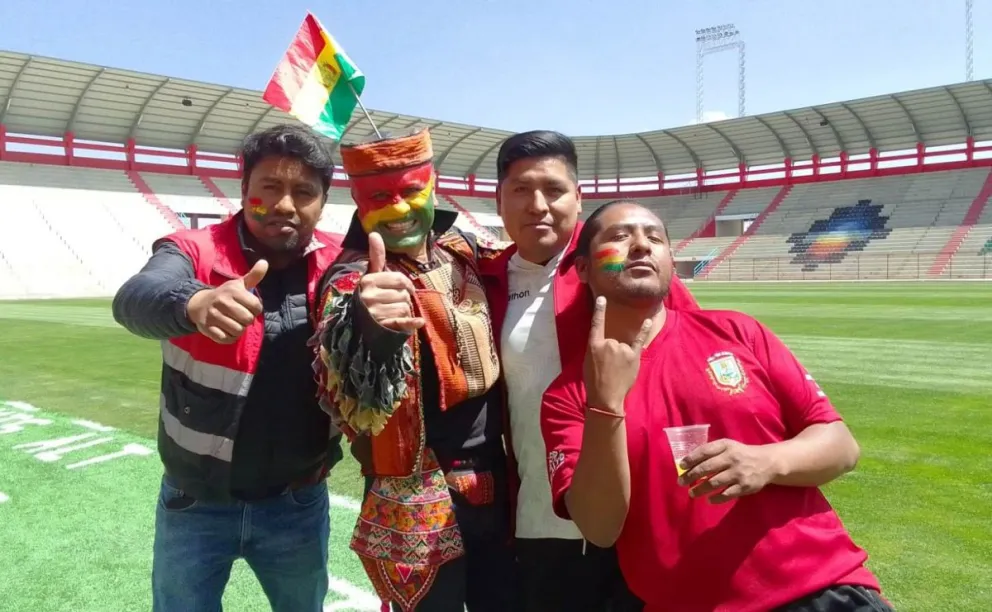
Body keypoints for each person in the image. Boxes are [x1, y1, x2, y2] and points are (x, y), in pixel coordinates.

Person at [540, 199, 892, 612]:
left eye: (655, 238)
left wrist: (765, 462)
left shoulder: (738, 332)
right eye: (619, 236)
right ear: (583, 268)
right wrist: (606, 403)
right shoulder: (566, 395)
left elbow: (842, 446)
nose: (641, 245)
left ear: (670, 262)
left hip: (820, 589)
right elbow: (599, 528)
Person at [111, 123, 345, 612]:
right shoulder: (193, 249)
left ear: (323, 203)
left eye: (304, 192)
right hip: (194, 503)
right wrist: (194, 303)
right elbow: (135, 299)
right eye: (270, 187)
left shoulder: (341, 263)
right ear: (244, 191)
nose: (285, 204)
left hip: (298, 503)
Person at [477, 131, 698, 611]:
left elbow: (692, 358)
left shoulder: (619, 264)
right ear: (499, 200)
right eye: (521, 189)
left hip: (644, 516)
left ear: (578, 198)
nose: (538, 205)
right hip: (541, 519)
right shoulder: (482, 281)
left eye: (554, 190)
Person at [311, 127, 515, 612]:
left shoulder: (464, 250)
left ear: (433, 186)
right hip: (411, 490)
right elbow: (346, 360)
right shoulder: (354, 275)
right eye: (379, 197)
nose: (399, 208)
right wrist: (370, 323)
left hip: (494, 476)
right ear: (358, 203)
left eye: (411, 191)